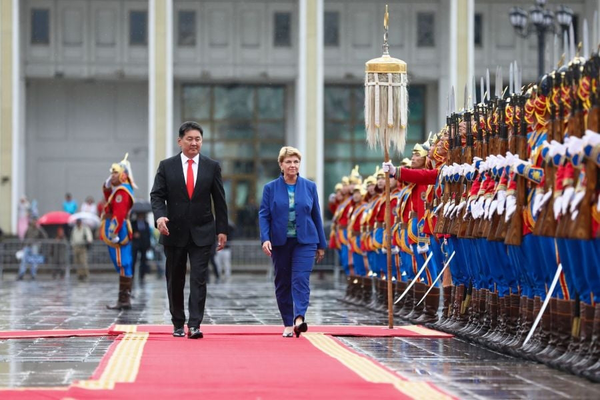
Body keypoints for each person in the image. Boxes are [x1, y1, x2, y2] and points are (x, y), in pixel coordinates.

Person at [151, 121, 228, 339]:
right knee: (175, 279)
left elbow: (219, 200)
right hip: (173, 232)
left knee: (199, 279)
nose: (194, 143)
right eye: (190, 139)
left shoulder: (212, 166)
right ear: (180, 141)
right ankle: (177, 322)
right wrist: (159, 217)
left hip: (203, 231)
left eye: (198, 139)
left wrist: (222, 229)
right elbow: (156, 195)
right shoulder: (167, 166)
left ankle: (195, 324)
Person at [259, 146, 327, 338]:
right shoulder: (270, 188)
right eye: (288, 161)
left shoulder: (310, 187)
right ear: (281, 164)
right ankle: (288, 322)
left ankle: (299, 318)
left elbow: (316, 216)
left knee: (300, 279)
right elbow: (264, 215)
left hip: (305, 241)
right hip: (280, 242)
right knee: (283, 282)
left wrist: (321, 244)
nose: (292, 165)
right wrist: (265, 239)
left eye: (296, 161)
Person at [100, 154, 136, 310]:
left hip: (118, 231)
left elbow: (119, 214)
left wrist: (113, 232)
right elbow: (110, 201)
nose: (112, 175)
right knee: (124, 265)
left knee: (122, 263)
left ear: (123, 175)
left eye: (115, 173)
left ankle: (124, 299)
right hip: (119, 230)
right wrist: (107, 186)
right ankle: (124, 298)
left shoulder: (122, 191)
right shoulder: (120, 190)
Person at [132, 212, 152, 284]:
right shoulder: (133, 223)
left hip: (143, 244)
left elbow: (148, 234)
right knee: (133, 260)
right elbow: (130, 232)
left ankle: (142, 275)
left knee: (143, 260)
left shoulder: (146, 223)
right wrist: (134, 234)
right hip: (136, 244)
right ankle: (132, 274)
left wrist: (148, 245)